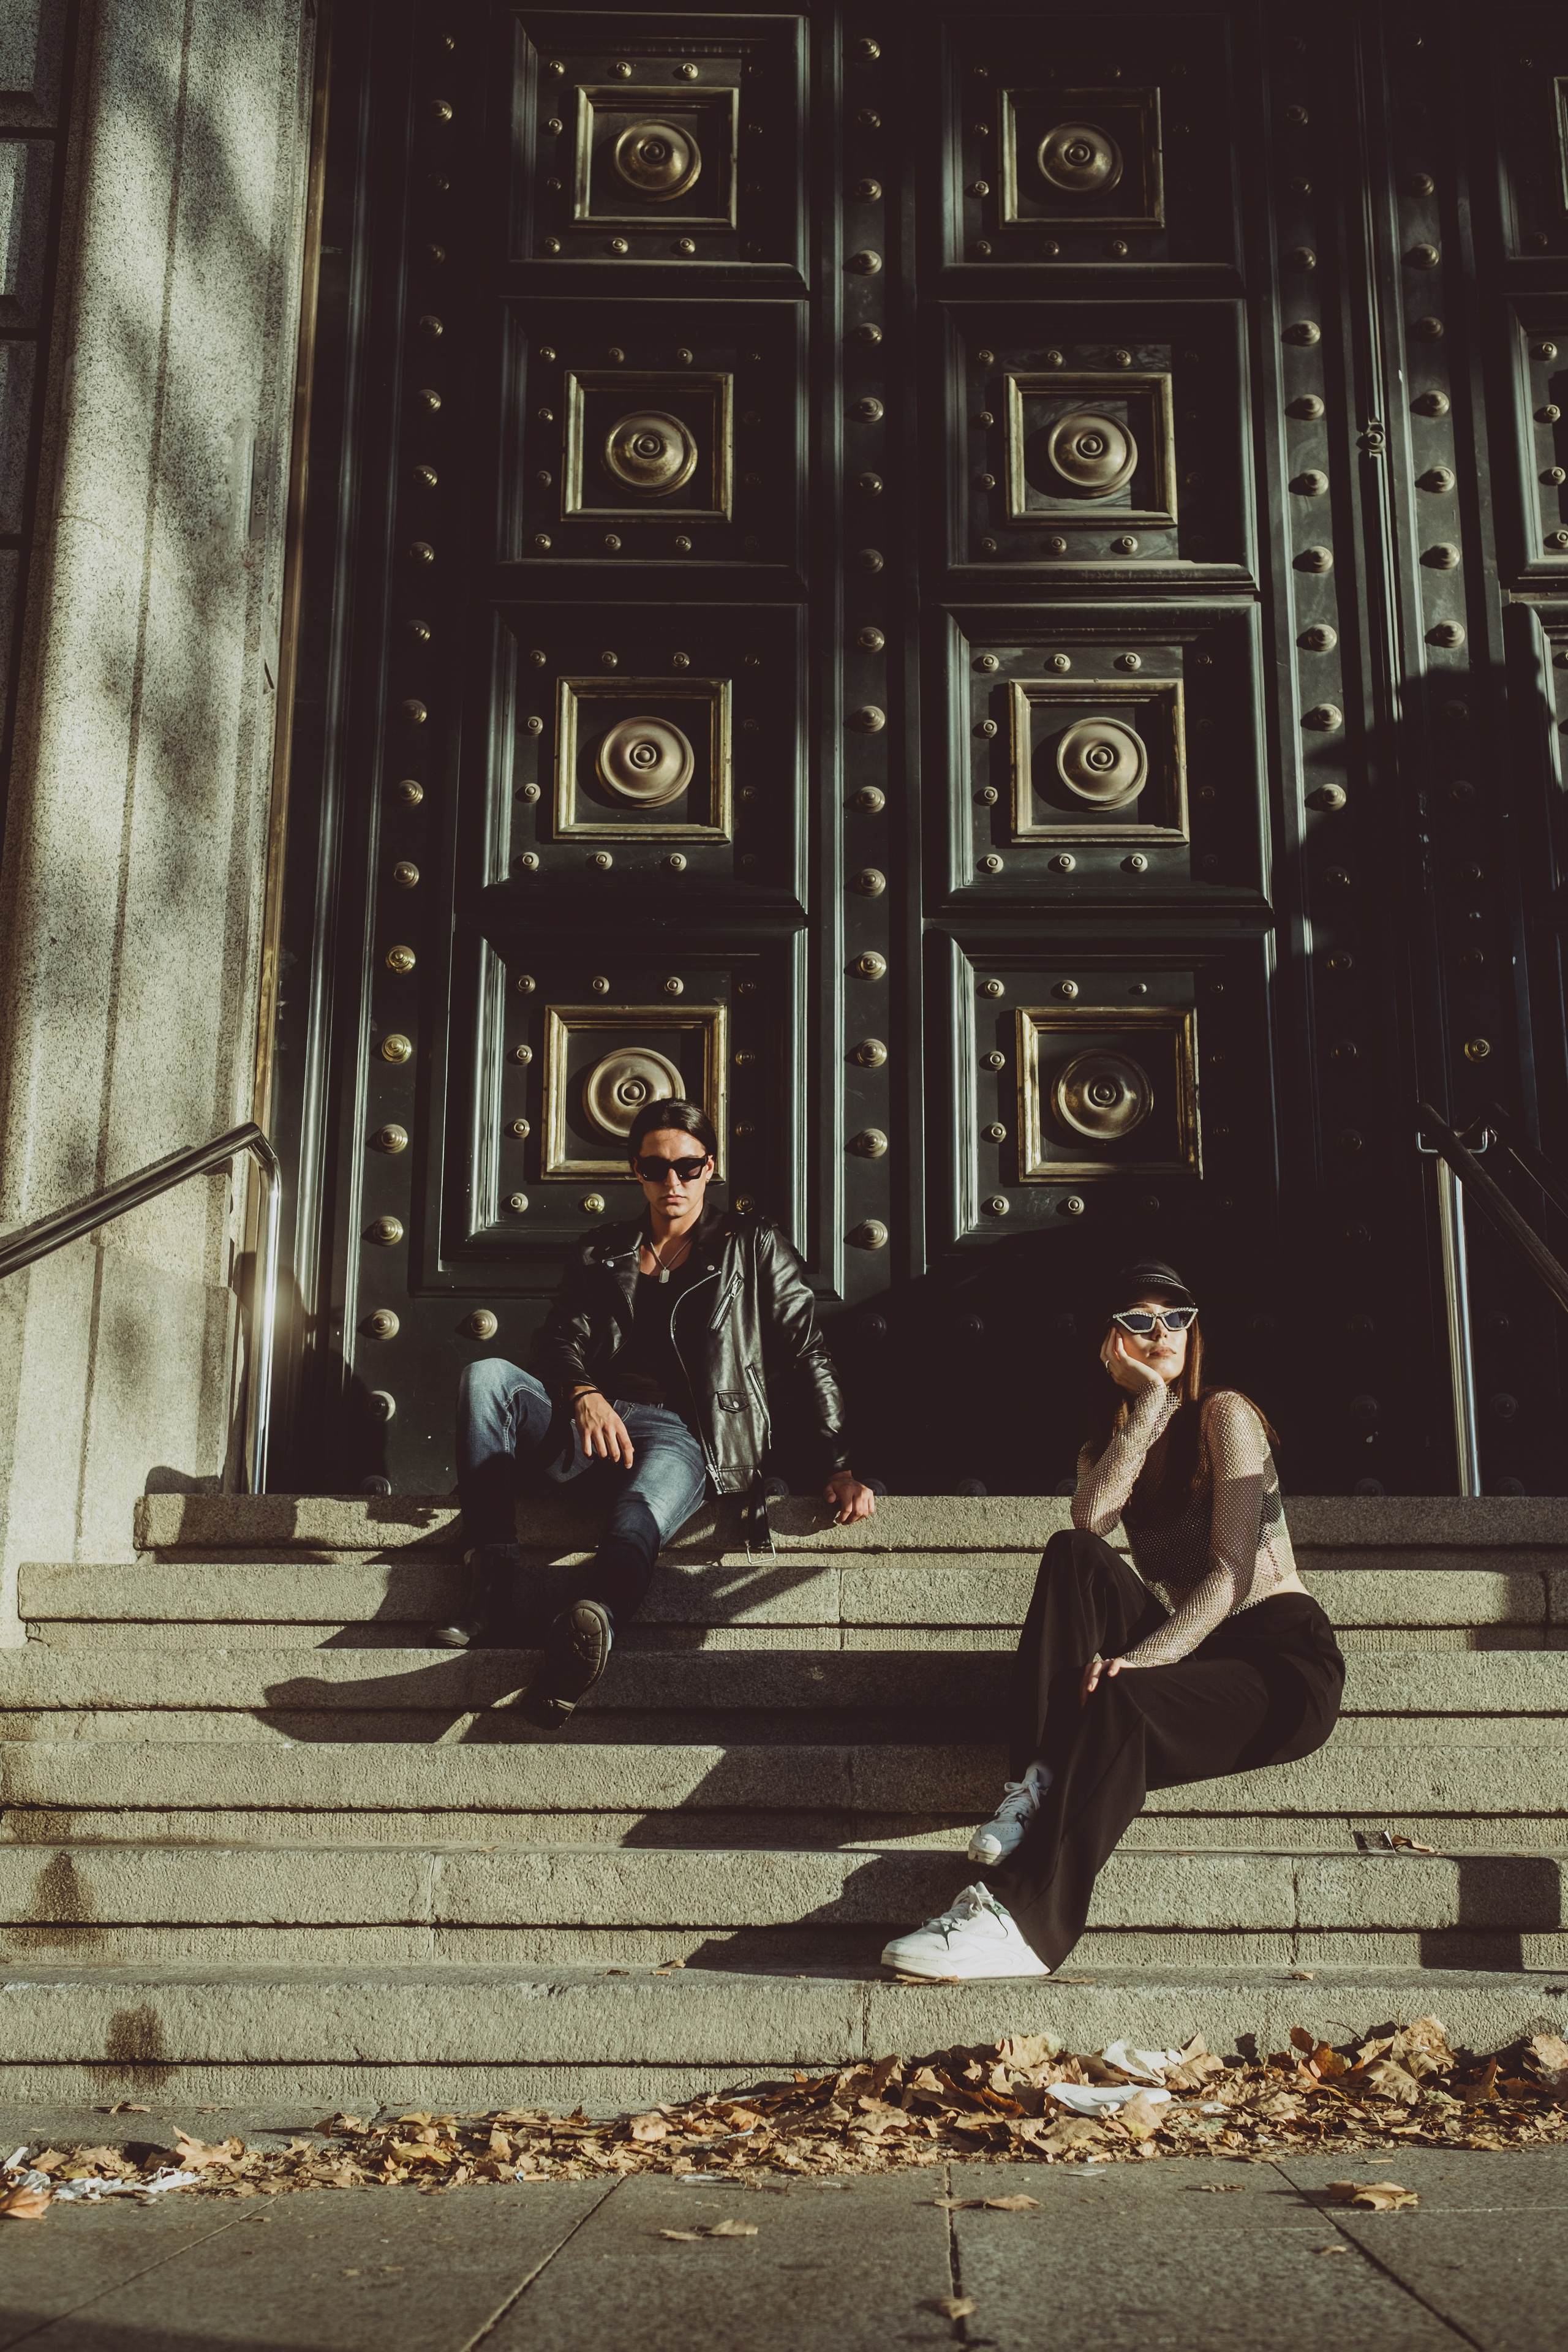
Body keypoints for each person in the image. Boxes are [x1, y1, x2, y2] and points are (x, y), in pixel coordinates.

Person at [881, 1257, 1344, 1979]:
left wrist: (1148, 1658)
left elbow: (1231, 1573)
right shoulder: (1114, 1439)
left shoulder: (1228, 1414)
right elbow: (1092, 1520)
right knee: (1071, 1555)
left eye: (1177, 1318)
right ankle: (1033, 1781)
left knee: (1124, 1700)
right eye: (1138, 1320)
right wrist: (1150, 1404)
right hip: (1199, 1652)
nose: (1162, 1331)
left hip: (1278, 1660)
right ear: (1110, 1342)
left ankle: (1021, 1927)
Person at [440, 1098, 876, 1728]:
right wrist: (583, 1395)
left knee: (636, 1516)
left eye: (688, 1167)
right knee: (487, 1378)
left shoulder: (753, 1246)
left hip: (683, 1435)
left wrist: (837, 1464)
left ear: (711, 1168)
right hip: (588, 1422)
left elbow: (806, 1349)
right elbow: (559, 1339)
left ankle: (589, 1624)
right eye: (655, 1168)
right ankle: (491, 1586)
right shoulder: (603, 1249)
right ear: (635, 1173)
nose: (672, 1183)